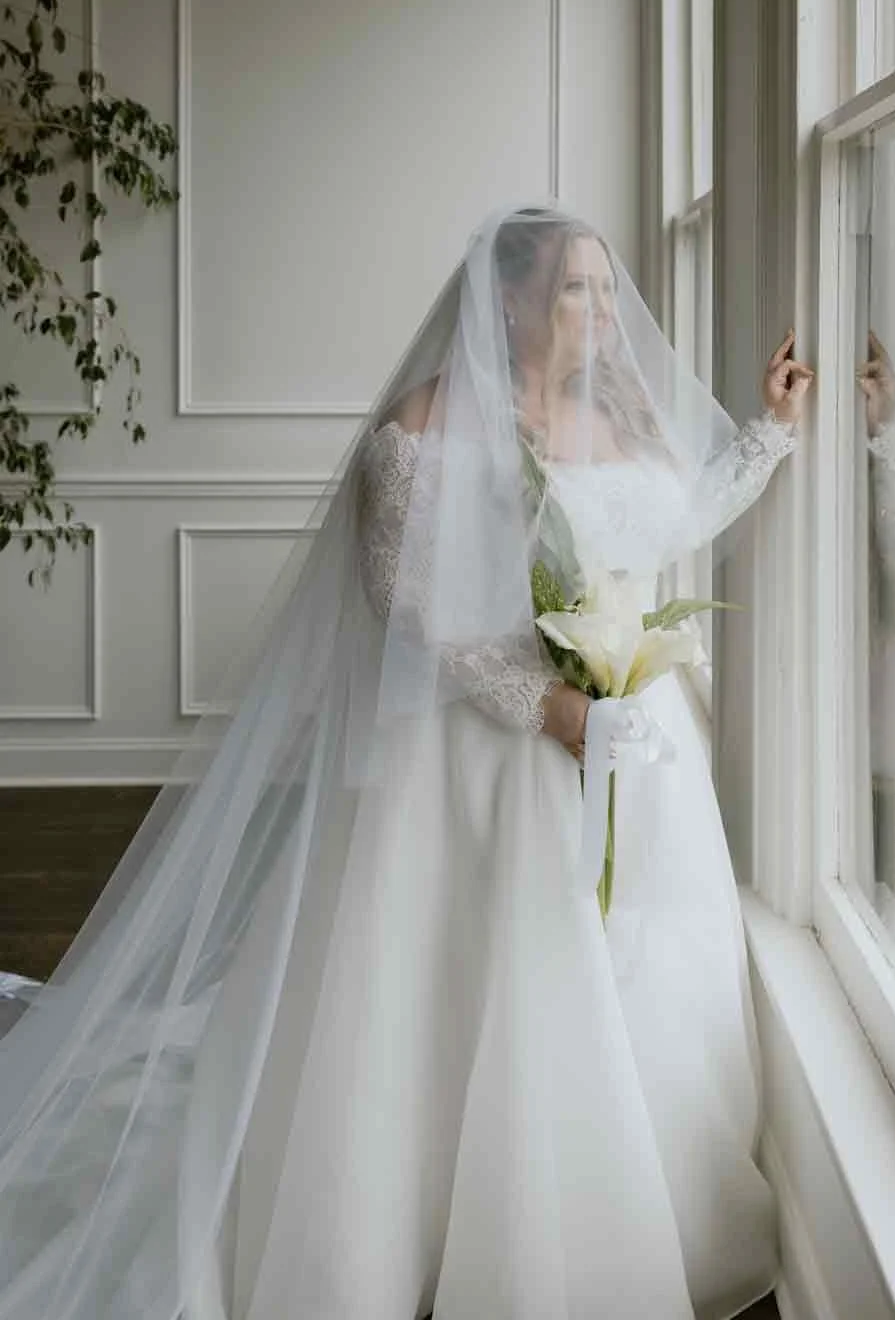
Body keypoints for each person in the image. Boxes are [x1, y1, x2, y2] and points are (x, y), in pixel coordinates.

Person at [0, 203, 813, 1320]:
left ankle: (648, 1217)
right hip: (486, 760)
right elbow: (407, 604)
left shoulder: (613, 416)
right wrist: (548, 706)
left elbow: (672, 526)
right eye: (572, 290)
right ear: (512, 301)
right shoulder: (421, 430)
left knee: (641, 975)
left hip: (631, 746)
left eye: (601, 288)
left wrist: (770, 432)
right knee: (474, 984)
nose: (598, 312)